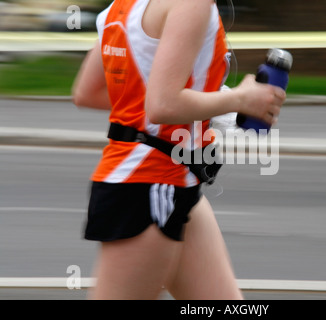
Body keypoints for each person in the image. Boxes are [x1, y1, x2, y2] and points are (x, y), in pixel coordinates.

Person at [72, 0, 286, 300]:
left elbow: (89, 92)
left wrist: (214, 103)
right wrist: (239, 100)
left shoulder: (122, 5)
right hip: (150, 183)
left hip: (175, 181)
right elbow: (163, 105)